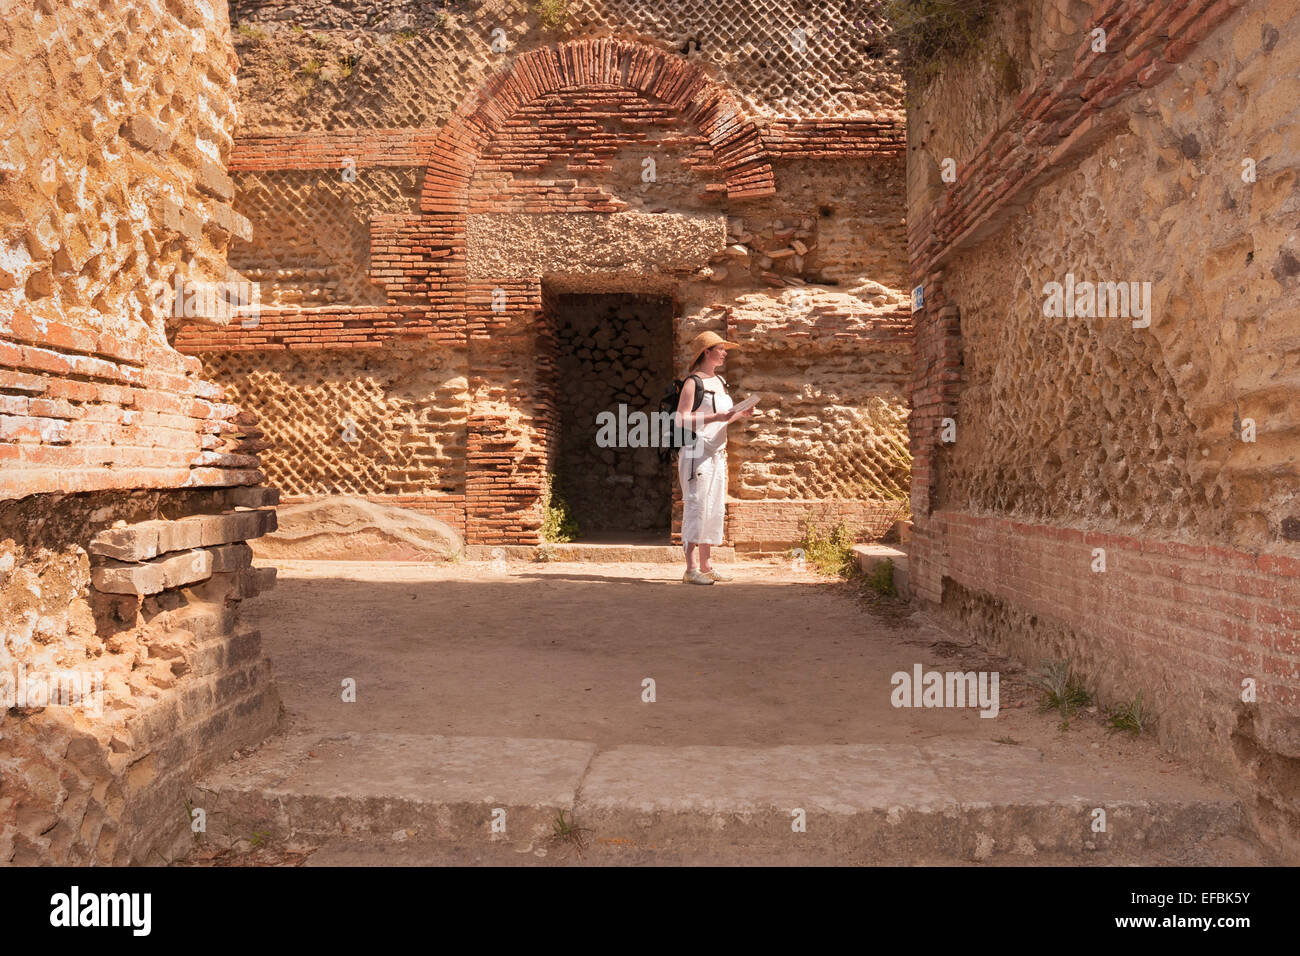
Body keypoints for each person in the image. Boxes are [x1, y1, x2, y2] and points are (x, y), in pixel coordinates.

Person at [676, 331, 754, 585]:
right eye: (720, 348)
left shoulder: (720, 382)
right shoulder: (692, 383)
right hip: (697, 451)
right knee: (696, 505)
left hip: (717, 452)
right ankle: (691, 569)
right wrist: (714, 418)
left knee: (713, 507)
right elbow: (681, 418)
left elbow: (723, 417)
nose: (725, 352)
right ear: (706, 352)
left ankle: (707, 566)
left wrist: (740, 414)